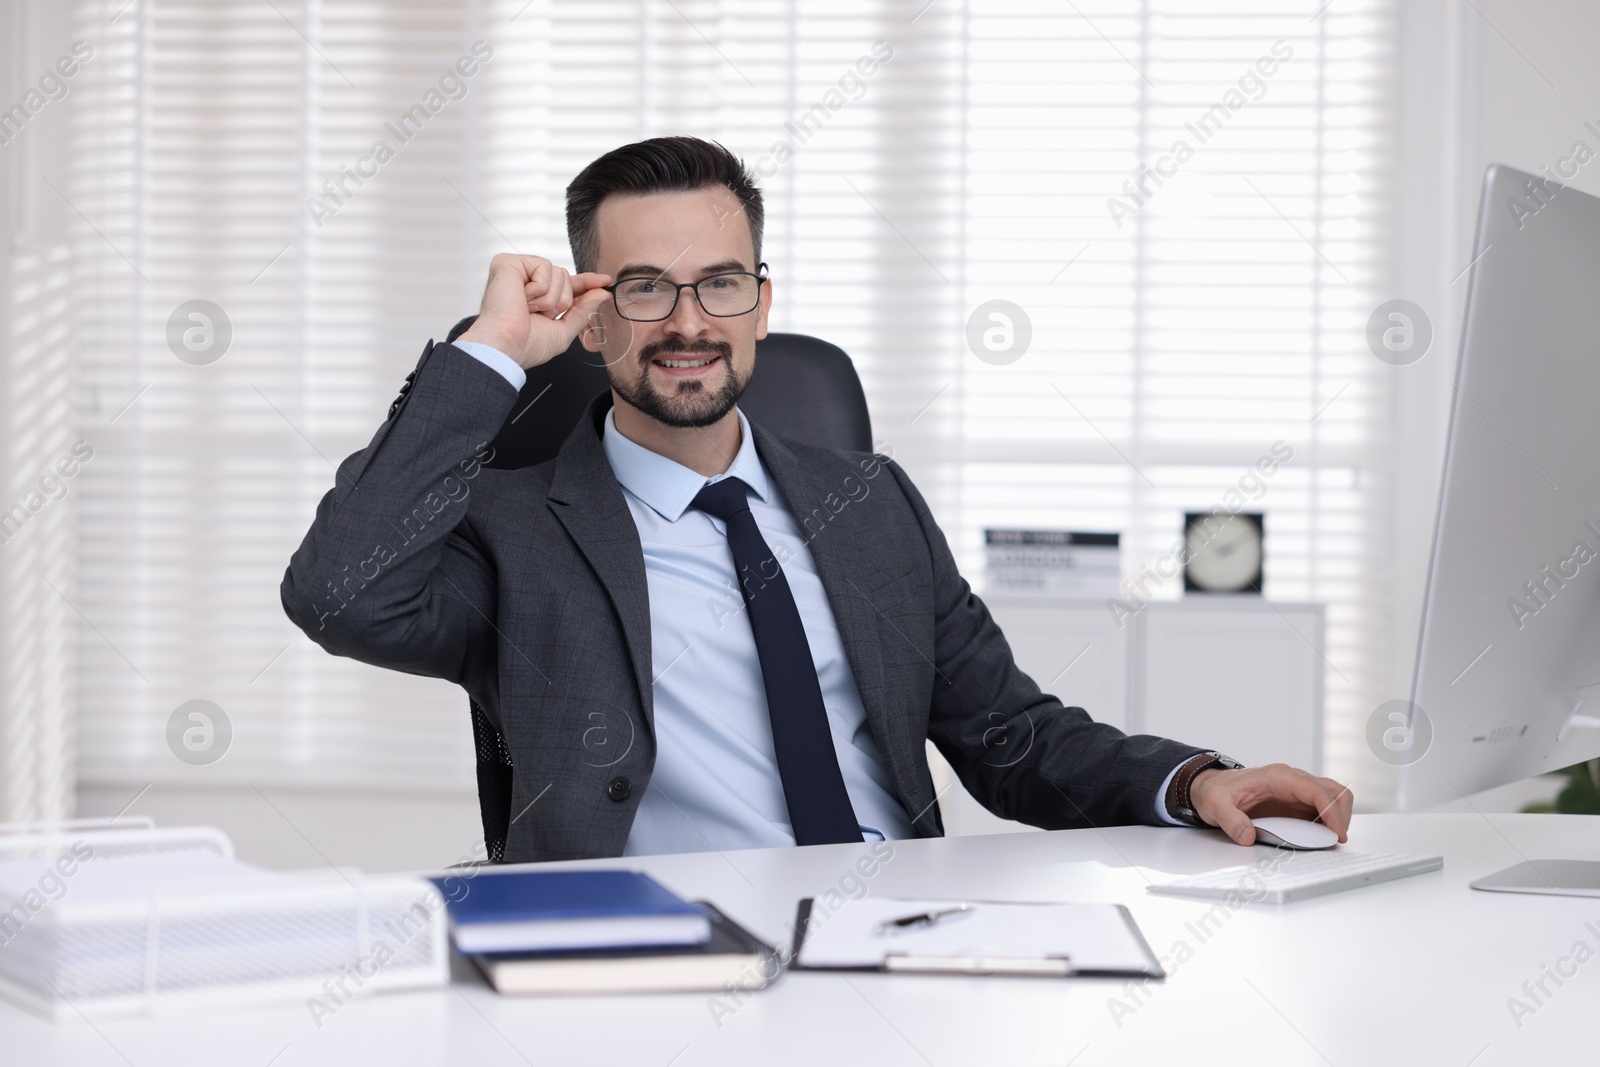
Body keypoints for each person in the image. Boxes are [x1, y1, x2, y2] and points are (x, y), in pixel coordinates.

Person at [281, 136, 1352, 862]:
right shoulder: (514, 528)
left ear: (761, 302)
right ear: (593, 318)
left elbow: (1011, 737)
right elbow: (338, 595)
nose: (688, 321)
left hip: (903, 934)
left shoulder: (870, 499)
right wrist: (489, 356)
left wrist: (1197, 779)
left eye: (721, 282)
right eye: (644, 287)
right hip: (659, 952)